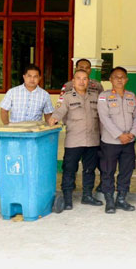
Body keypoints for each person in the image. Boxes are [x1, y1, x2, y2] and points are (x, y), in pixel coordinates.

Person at [47, 69, 102, 210]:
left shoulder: (95, 96)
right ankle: (67, 198)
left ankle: (87, 196)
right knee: (69, 169)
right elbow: (59, 111)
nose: (81, 81)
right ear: (73, 81)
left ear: (88, 81)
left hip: (92, 139)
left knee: (89, 169)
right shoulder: (67, 97)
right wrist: (54, 118)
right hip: (74, 140)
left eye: (85, 78)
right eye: (79, 78)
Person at [97, 67, 136, 214]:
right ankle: (109, 200)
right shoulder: (104, 96)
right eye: (116, 77)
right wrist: (119, 135)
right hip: (110, 142)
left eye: (122, 77)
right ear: (110, 79)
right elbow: (104, 118)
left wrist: (132, 134)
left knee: (126, 171)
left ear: (127, 79)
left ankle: (121, 199)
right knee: (108, 171)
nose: (119, 79)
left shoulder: (131, 96)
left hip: (128, 142)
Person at [60, 58, 104, 195]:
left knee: (92, 165)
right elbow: (62, 110)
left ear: (90, 70)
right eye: (80, 67)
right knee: (69, 166)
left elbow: (101, 109)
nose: (83, 69)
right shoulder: (68, 86)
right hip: (75, 135)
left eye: (86, 68)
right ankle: (68, 193)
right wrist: (73, 124)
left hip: (92, 135)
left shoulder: (97, 86)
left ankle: (88, 194)